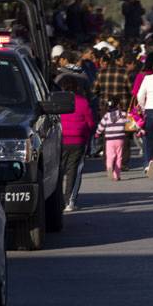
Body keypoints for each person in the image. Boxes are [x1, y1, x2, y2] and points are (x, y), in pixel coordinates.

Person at [57, 73, 95, 212]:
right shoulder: (83, 101)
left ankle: (57, 200)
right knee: (74, 170)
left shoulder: (58, 101)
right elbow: (90, 122)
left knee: (58, 170)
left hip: (60, 140)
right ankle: (70, 201)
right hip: (78, 140)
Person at [95, 101, 130, 181]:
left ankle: (109, 167)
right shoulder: (123, 115)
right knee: (119, 157)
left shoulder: (106, 116)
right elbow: (130, 121)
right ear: (118, 106)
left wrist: (97, 133)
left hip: (109, 140)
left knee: (110, 156)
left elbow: (101, 126)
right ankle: (116, 175)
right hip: (120, 139)